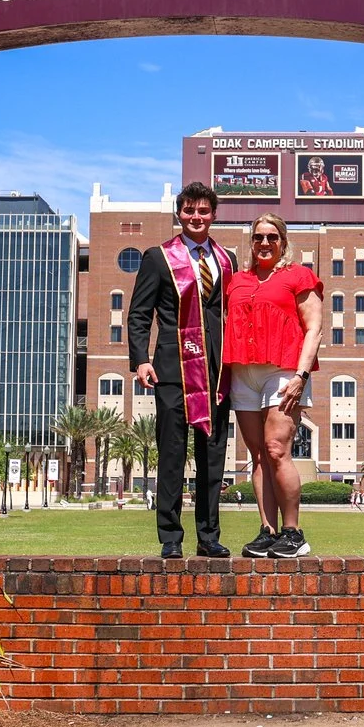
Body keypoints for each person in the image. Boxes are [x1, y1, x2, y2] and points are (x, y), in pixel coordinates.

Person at [129, 183, 236, 559]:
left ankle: (208, 536)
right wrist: (141, 359)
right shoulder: (158, 258)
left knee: (213, 454)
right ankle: (170, 537)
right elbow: (140, 314)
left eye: (203, 211)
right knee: (172, 452)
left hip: (217, 369)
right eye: (189, 210)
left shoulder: (226, 259)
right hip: (173, 370)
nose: (196, 217)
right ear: (180, 213)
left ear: (214, 215)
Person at [219, 212, 325, 557]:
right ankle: (267, 531)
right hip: (242, 373)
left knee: (277, 449)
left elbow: (314, 328)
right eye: (259, 237)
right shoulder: (237, 280)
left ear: (283, 241)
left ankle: (293, 532)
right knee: (258, 456)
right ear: (251, 242)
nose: (265, 243)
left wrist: (301, 376)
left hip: (283, 371)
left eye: (272, 237)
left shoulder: (299, 276)